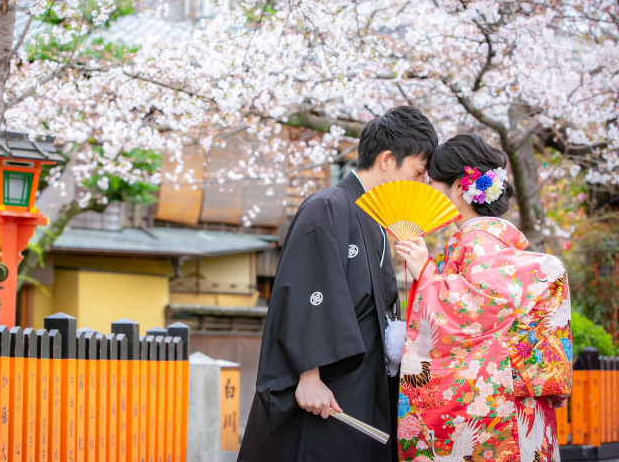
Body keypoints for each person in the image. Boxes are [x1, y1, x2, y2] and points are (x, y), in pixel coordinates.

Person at [238, 106, 438, 462]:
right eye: (418, 172)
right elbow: (304, 291)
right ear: (388, 159)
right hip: (325, 387)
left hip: (363, 386)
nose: (421, 184)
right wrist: (308, 373)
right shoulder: (327, 205)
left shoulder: (376, 223)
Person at [394, 135, 572, 462]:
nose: (427, 191)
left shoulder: (479, 244)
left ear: (460, 188)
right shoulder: (497, 244)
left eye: (431, 183)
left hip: (496, 413)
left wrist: (427, 275)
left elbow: (471, 312)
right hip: (519, 403)